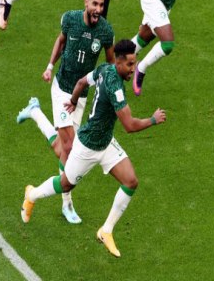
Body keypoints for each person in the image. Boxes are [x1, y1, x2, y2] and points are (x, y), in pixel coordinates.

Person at [21, 39, 166, 258]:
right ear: (118, 63)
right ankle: (32, 194)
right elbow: (129, 126)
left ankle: (106, 231)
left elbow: (81, 82)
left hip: (105, 142)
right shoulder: (115, 86)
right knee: (64, 185)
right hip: (88, 146)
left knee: (131, 181)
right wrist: (153, 120)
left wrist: (73, 100)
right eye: (130, 65)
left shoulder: (103, 69)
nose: (133, 69)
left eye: (135, 64)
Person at [16, 0, 115, 224]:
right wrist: (50, 66)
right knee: (70, 149)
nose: (98, 9)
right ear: (86, 2)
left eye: (101, 5)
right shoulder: (70, 20)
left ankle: (35, 113)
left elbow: (111, 64)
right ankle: (66, 204)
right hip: (61, 90)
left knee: (64, 148)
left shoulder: (105, 32)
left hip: (80, 96)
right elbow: (60, 41)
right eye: (94, 4)